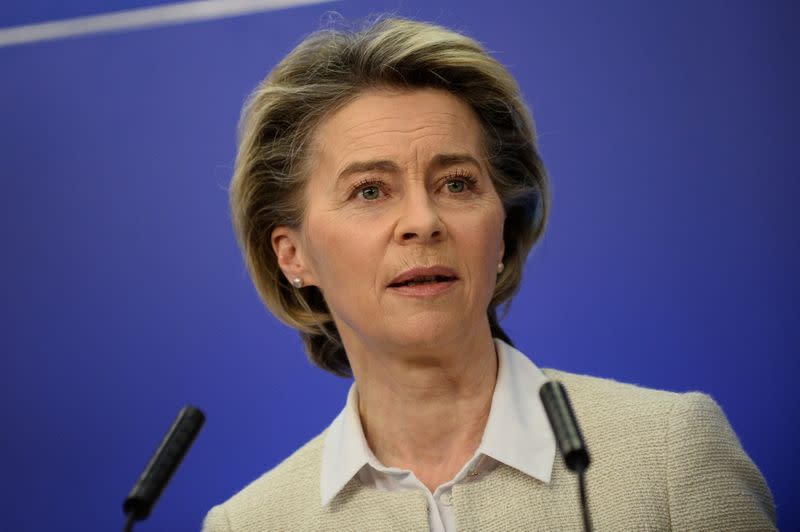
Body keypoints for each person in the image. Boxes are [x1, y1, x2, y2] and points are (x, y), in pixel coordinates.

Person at [203, 17, 775, 531]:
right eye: (370, 191)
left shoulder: (670, 452)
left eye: (457, 183)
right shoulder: (252, 521)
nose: (423, 222)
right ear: (292, 254)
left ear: (501, 228)